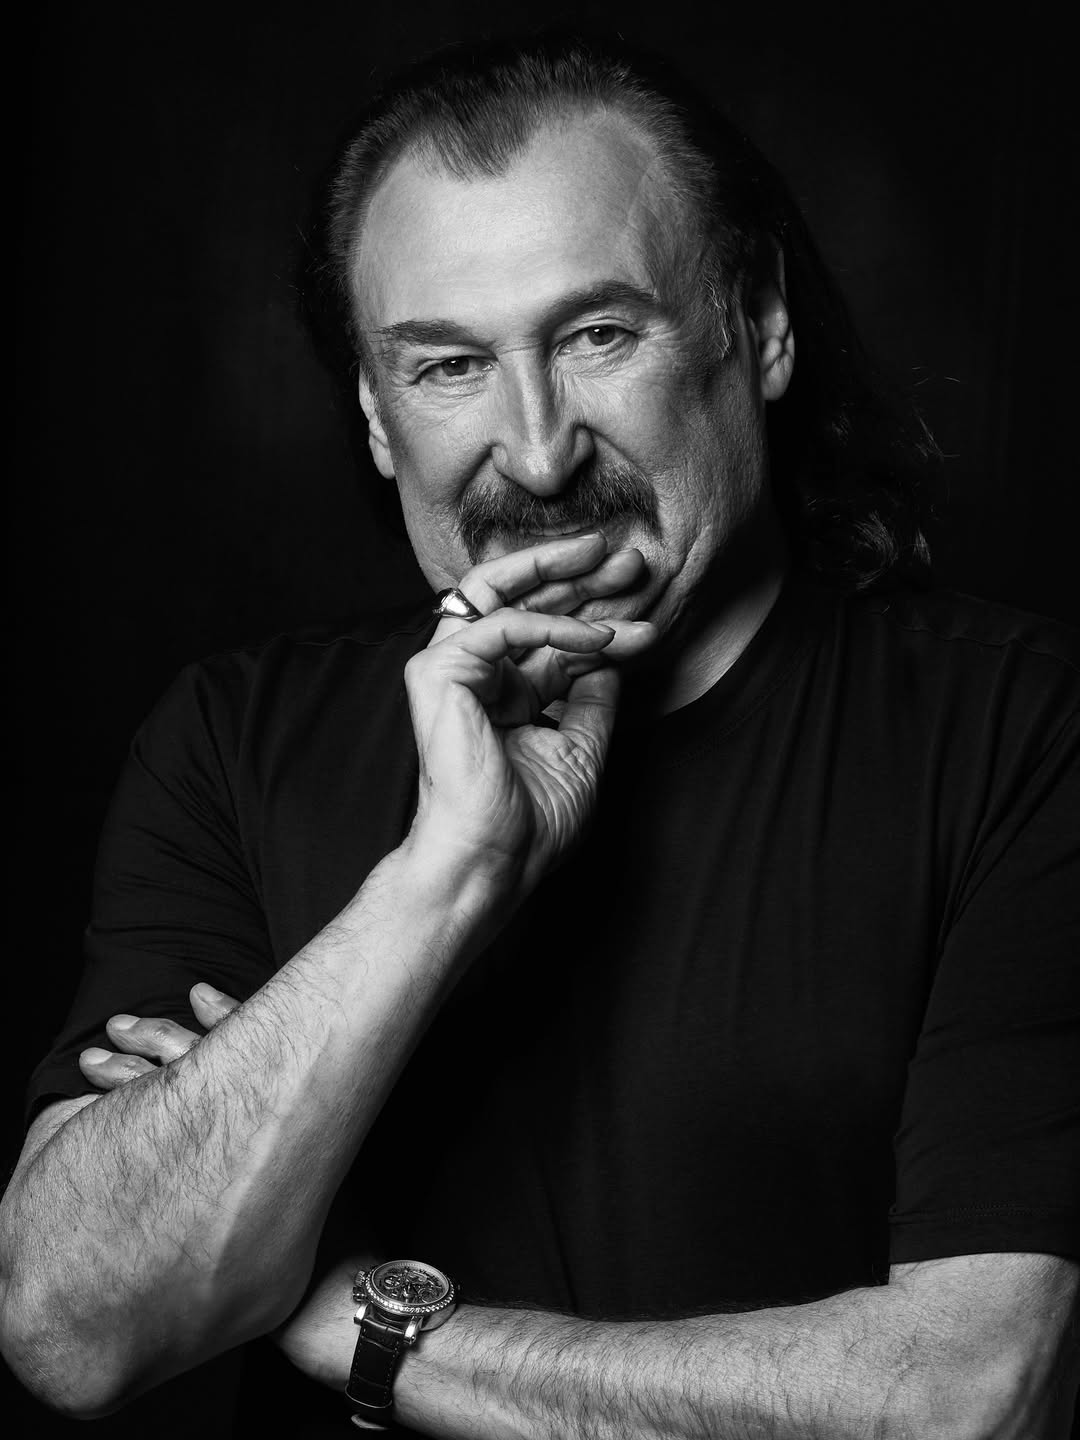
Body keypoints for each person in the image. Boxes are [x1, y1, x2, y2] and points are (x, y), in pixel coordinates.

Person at [2, 31, 1078, 1438]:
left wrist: (355, 1320)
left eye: (597, 337)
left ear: (759, 327)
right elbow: (73, 1327)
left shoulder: (1024, 729)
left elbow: (973, 1397)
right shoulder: (230, 738)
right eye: (448, 366)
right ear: (377, 417)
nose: (538, 450)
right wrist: (441, 877)